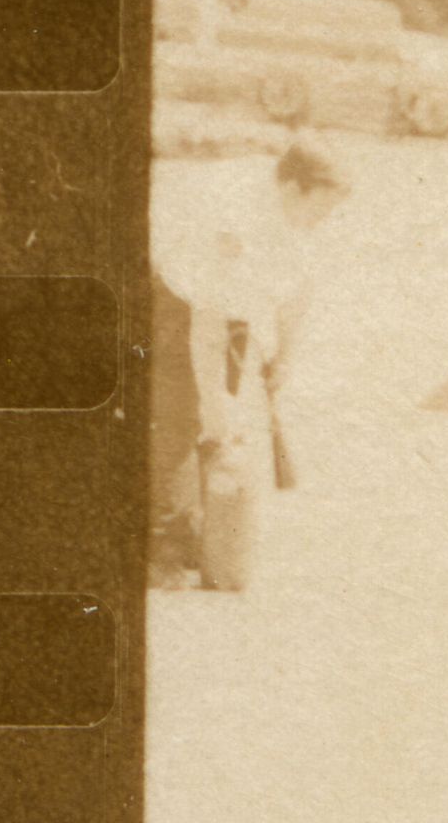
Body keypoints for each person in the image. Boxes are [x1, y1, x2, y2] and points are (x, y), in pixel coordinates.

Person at [149, 137, 350, 589]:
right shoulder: (238, 221)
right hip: (177, 302)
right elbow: (207, 328)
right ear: (293, 189)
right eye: (322, 206)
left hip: (226, 311)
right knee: (182, 419)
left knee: (217, 425)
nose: (326, 217)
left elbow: (299, 291)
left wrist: (285, 357)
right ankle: (163, 549)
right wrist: (213, 407)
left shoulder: (303, 217)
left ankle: (200, 531)